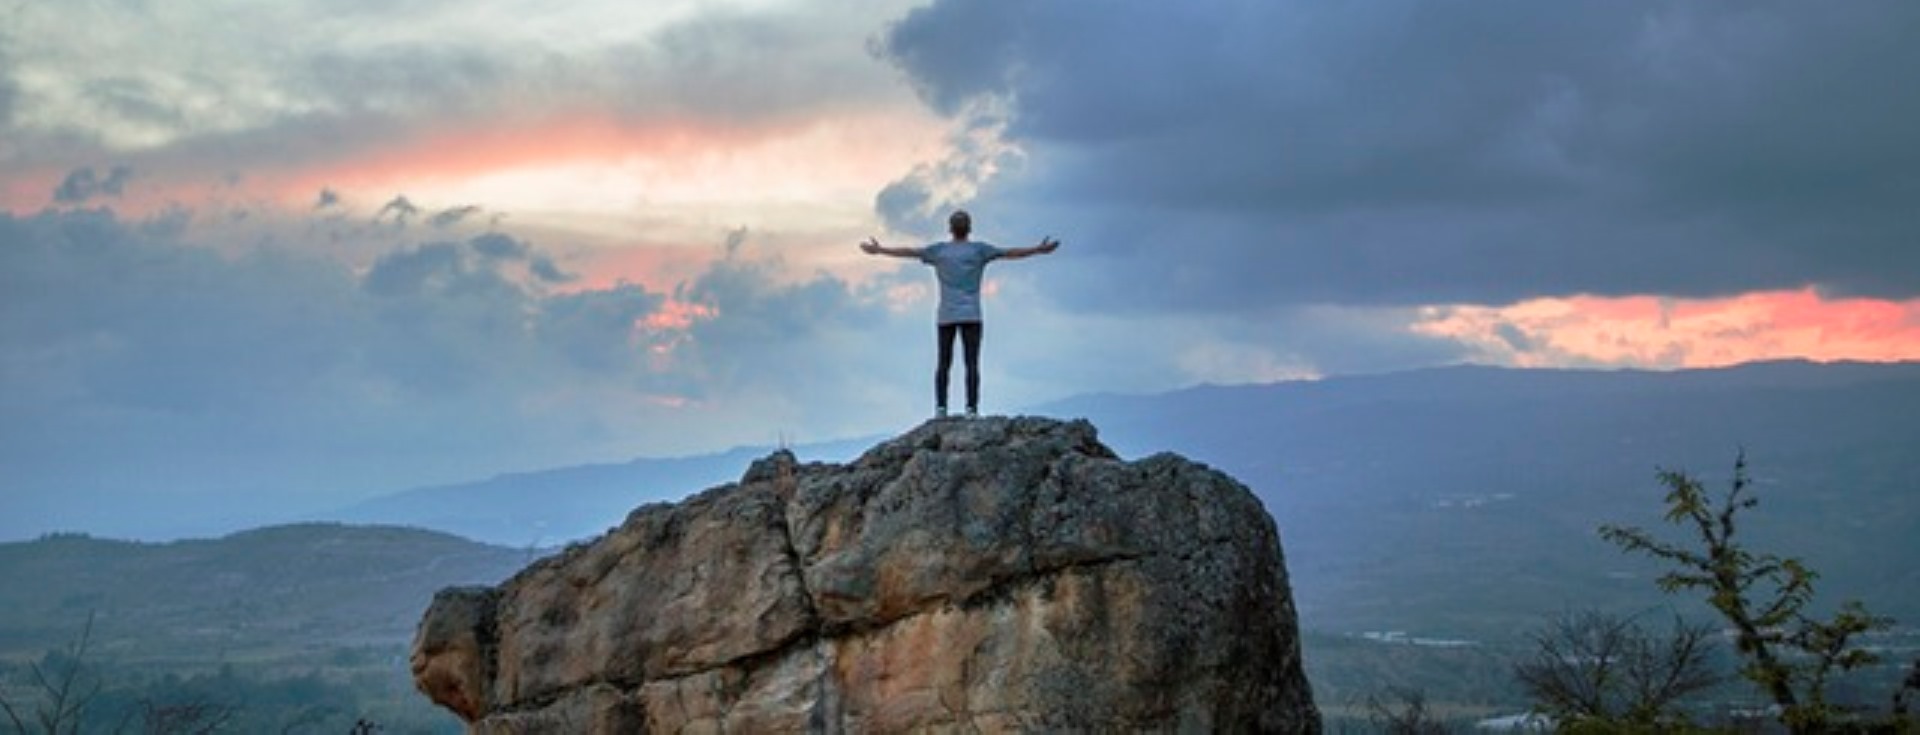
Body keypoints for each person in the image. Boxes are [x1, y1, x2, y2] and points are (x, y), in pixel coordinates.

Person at [861, 210, 1059, 418]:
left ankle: (941, 409)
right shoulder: (979, 250)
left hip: (946, 315)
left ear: (950, 228)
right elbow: (1010, 253)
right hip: (972, 315)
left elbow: (910, 252)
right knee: (971, 363)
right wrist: (1038, 250)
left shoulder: (939, 251)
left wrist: (880, 250)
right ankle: (971, 409)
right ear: (969, 228)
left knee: (943, 363)